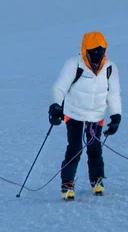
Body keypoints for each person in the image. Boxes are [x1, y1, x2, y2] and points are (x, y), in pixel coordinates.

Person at [48, 32, 122, 201]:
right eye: (93, 52)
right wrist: (55, 106)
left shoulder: (110, 68)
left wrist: (116, 117)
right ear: (85, 50)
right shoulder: (74, 64)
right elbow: (59, 88)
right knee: (74, 148)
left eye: (101, 52)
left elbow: (114, 95)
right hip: (74, 113)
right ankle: (67, 184)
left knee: (95, 149)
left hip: (97, 115)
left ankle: (97, 180)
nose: (97, 56)